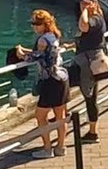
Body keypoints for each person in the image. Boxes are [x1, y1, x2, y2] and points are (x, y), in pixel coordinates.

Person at [15, 9, 68, 159]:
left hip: (50, 81)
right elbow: (44, 53)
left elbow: (36, 58)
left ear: (44, 24)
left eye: (36, 24)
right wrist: (27, 51)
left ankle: (47, 148)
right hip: (61, 79)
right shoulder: (54, 36)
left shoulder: (42, 40)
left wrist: (21, 54)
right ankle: (61, 147)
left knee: (40, 116)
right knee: (60, 115)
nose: (33, 26)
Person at [70, 0, 107, 143]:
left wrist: (86, 11)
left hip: (89, 62)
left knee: (90, 95)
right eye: (81, 3)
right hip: (85, 59)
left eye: (86, 3)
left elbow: (84, 27)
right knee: (88, 95)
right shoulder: (96, 19)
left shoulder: (96, 19)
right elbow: (89, 38)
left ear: (94, 4)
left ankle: (93, 132)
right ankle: (91, 130)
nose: (82, 6)